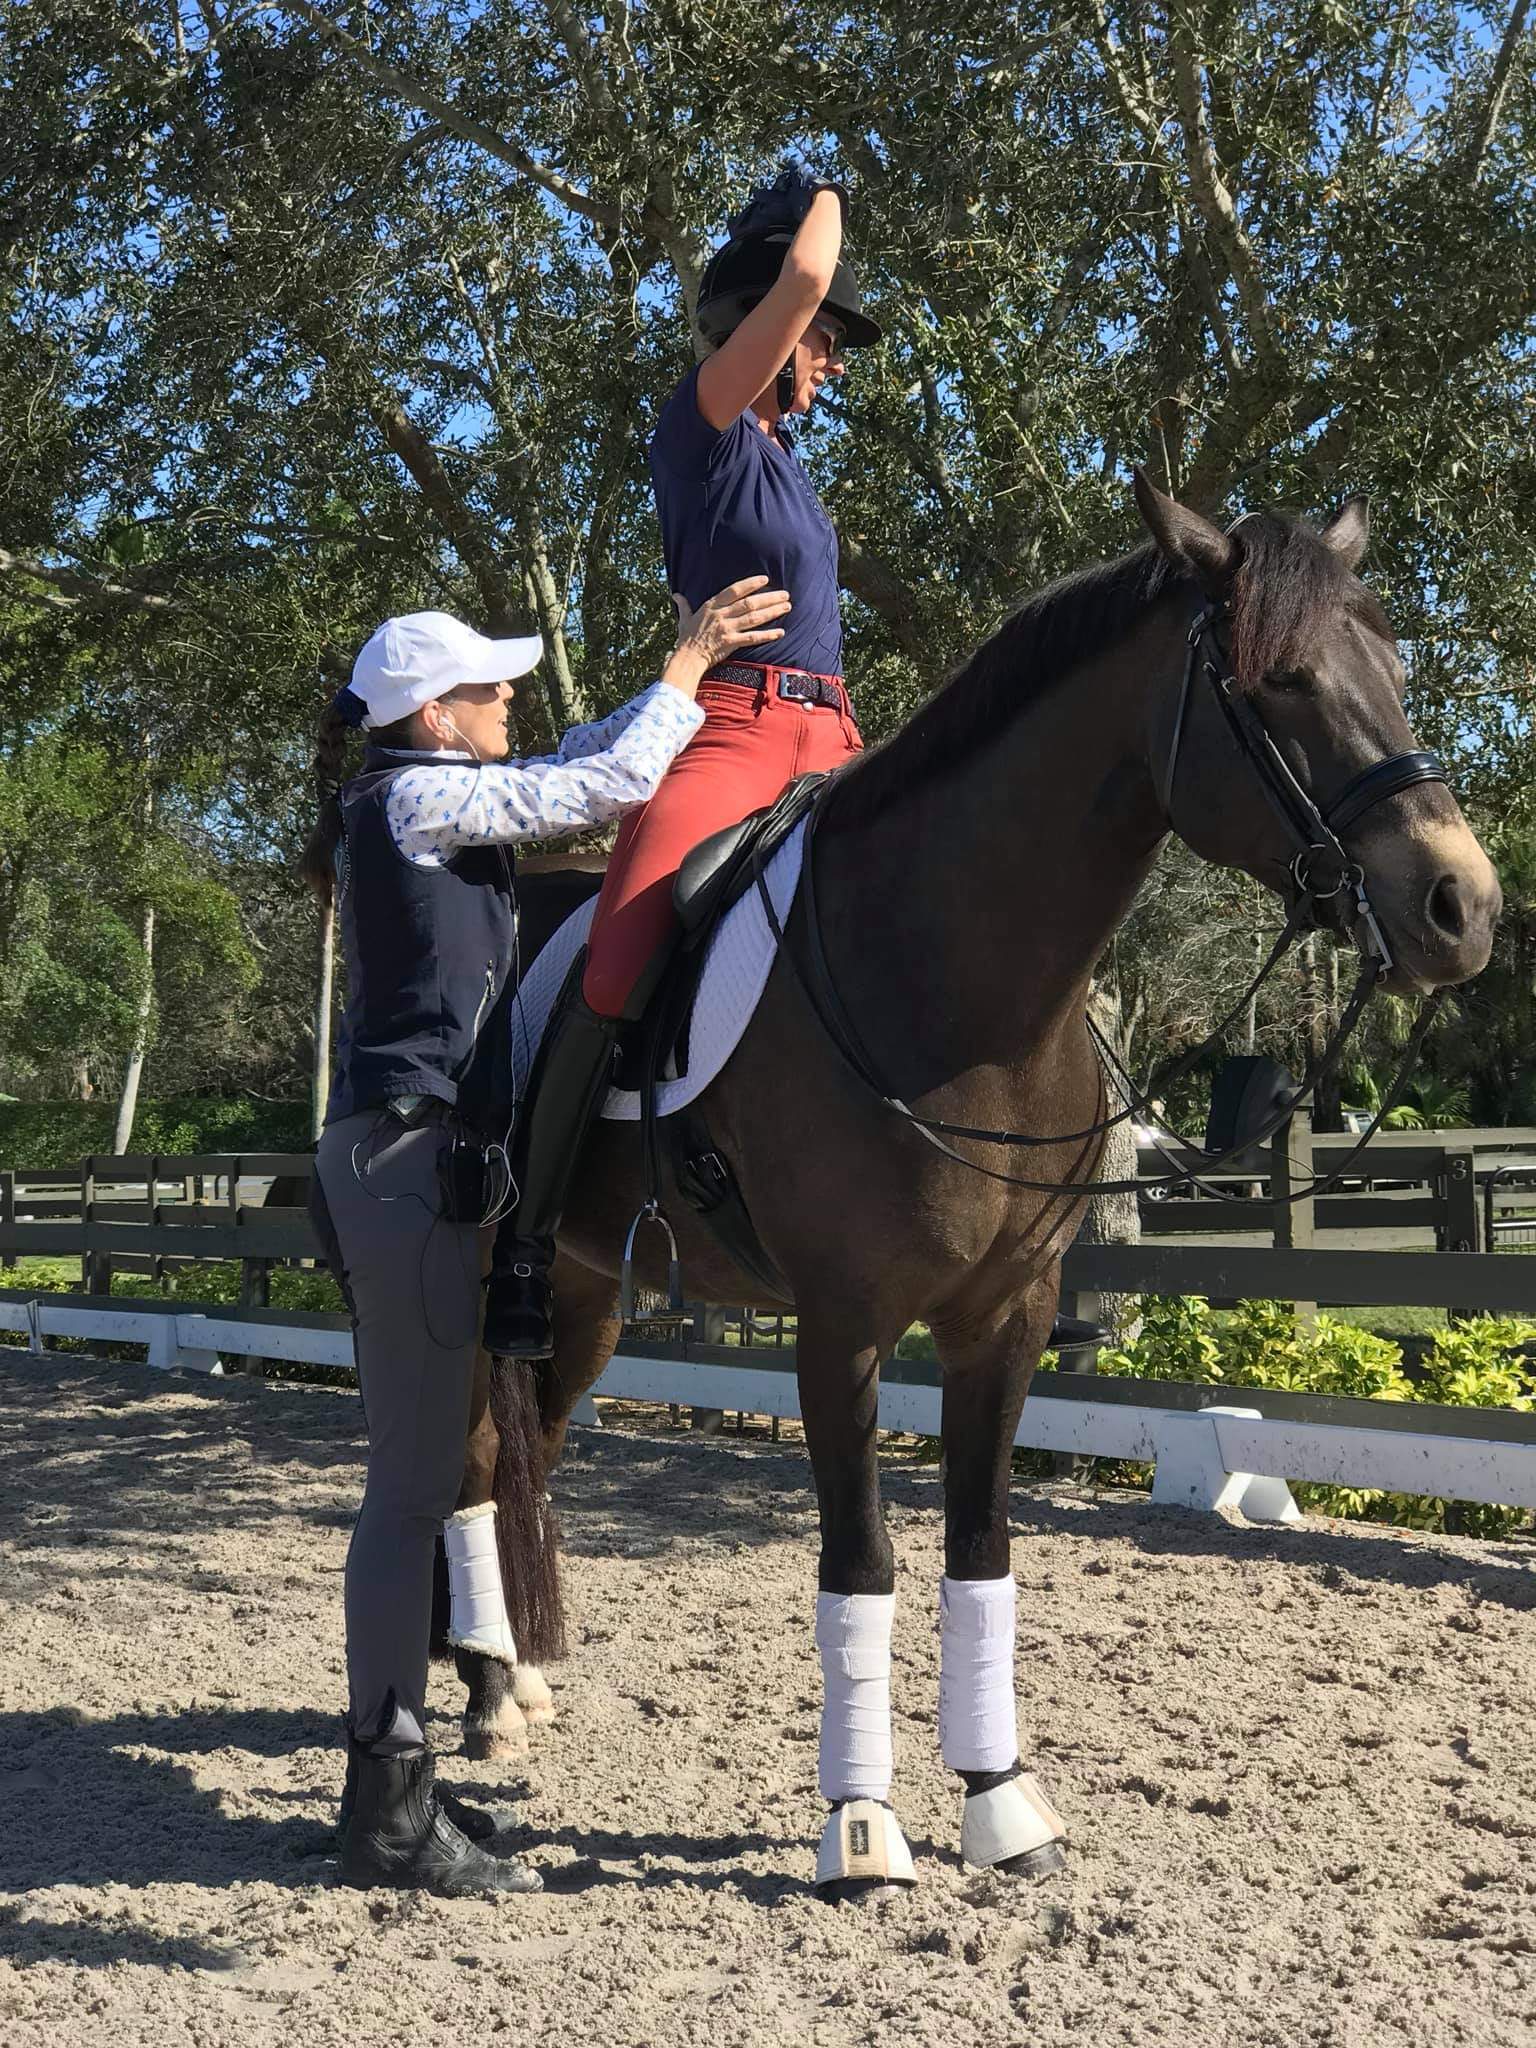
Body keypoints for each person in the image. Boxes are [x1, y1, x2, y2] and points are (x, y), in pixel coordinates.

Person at [304, 578, 789, 1895]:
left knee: (408, 1493)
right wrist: (690, 667)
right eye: (489, 687)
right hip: (405, 1162)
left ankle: (398, 1791)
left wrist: (685, 684)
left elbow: (583, 762)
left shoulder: (434, 798)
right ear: (433, 717)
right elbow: (605, 786)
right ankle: (387, 1811)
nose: (512, 697)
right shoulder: (412, 799)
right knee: (409, 1497)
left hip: (429, 1164)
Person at [486, 167, 880, 1359]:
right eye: (827, 340)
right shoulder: (699, 426)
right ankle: (524, 1232)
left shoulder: (791, 467)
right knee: (619, 940)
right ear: (770, 326)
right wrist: (825, 187)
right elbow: (809, 267)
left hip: (837, 732)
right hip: (738, 729)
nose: (837, 359)